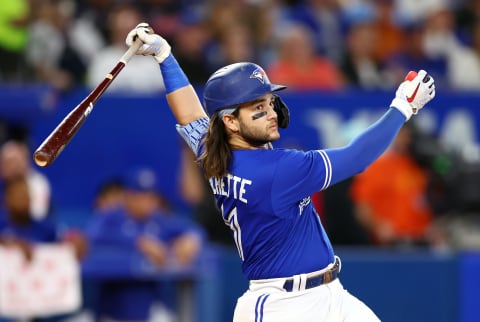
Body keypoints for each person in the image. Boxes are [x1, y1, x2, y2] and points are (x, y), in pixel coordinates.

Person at [125, 22, 435, 321]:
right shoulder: (277, 170)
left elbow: (190, 112)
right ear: (231, 121)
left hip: (330, 296)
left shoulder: (215, 151)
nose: (271, 113)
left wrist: (164, 56)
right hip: (284, 307)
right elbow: (357, 157)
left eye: (270, 102)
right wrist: (403, 107)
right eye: (257, 107)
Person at [84, 166, 205, 322]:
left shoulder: (158, 220)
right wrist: (140, 243)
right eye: (140, 195)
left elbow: (194, 230)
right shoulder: (110, 218)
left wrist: (190, 240)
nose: (147, 202)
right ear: (127, 196)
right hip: (110, 312)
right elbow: (91, 238)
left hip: (150, 310)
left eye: (151, 196)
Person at [349, 124, 434, 246]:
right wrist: (378, 226)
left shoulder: (423, 168)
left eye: (409, 135)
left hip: (422, 242)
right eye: (402, 134)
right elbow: (362, 209)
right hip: (389, 245)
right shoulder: (377, 167)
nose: (406, 139)